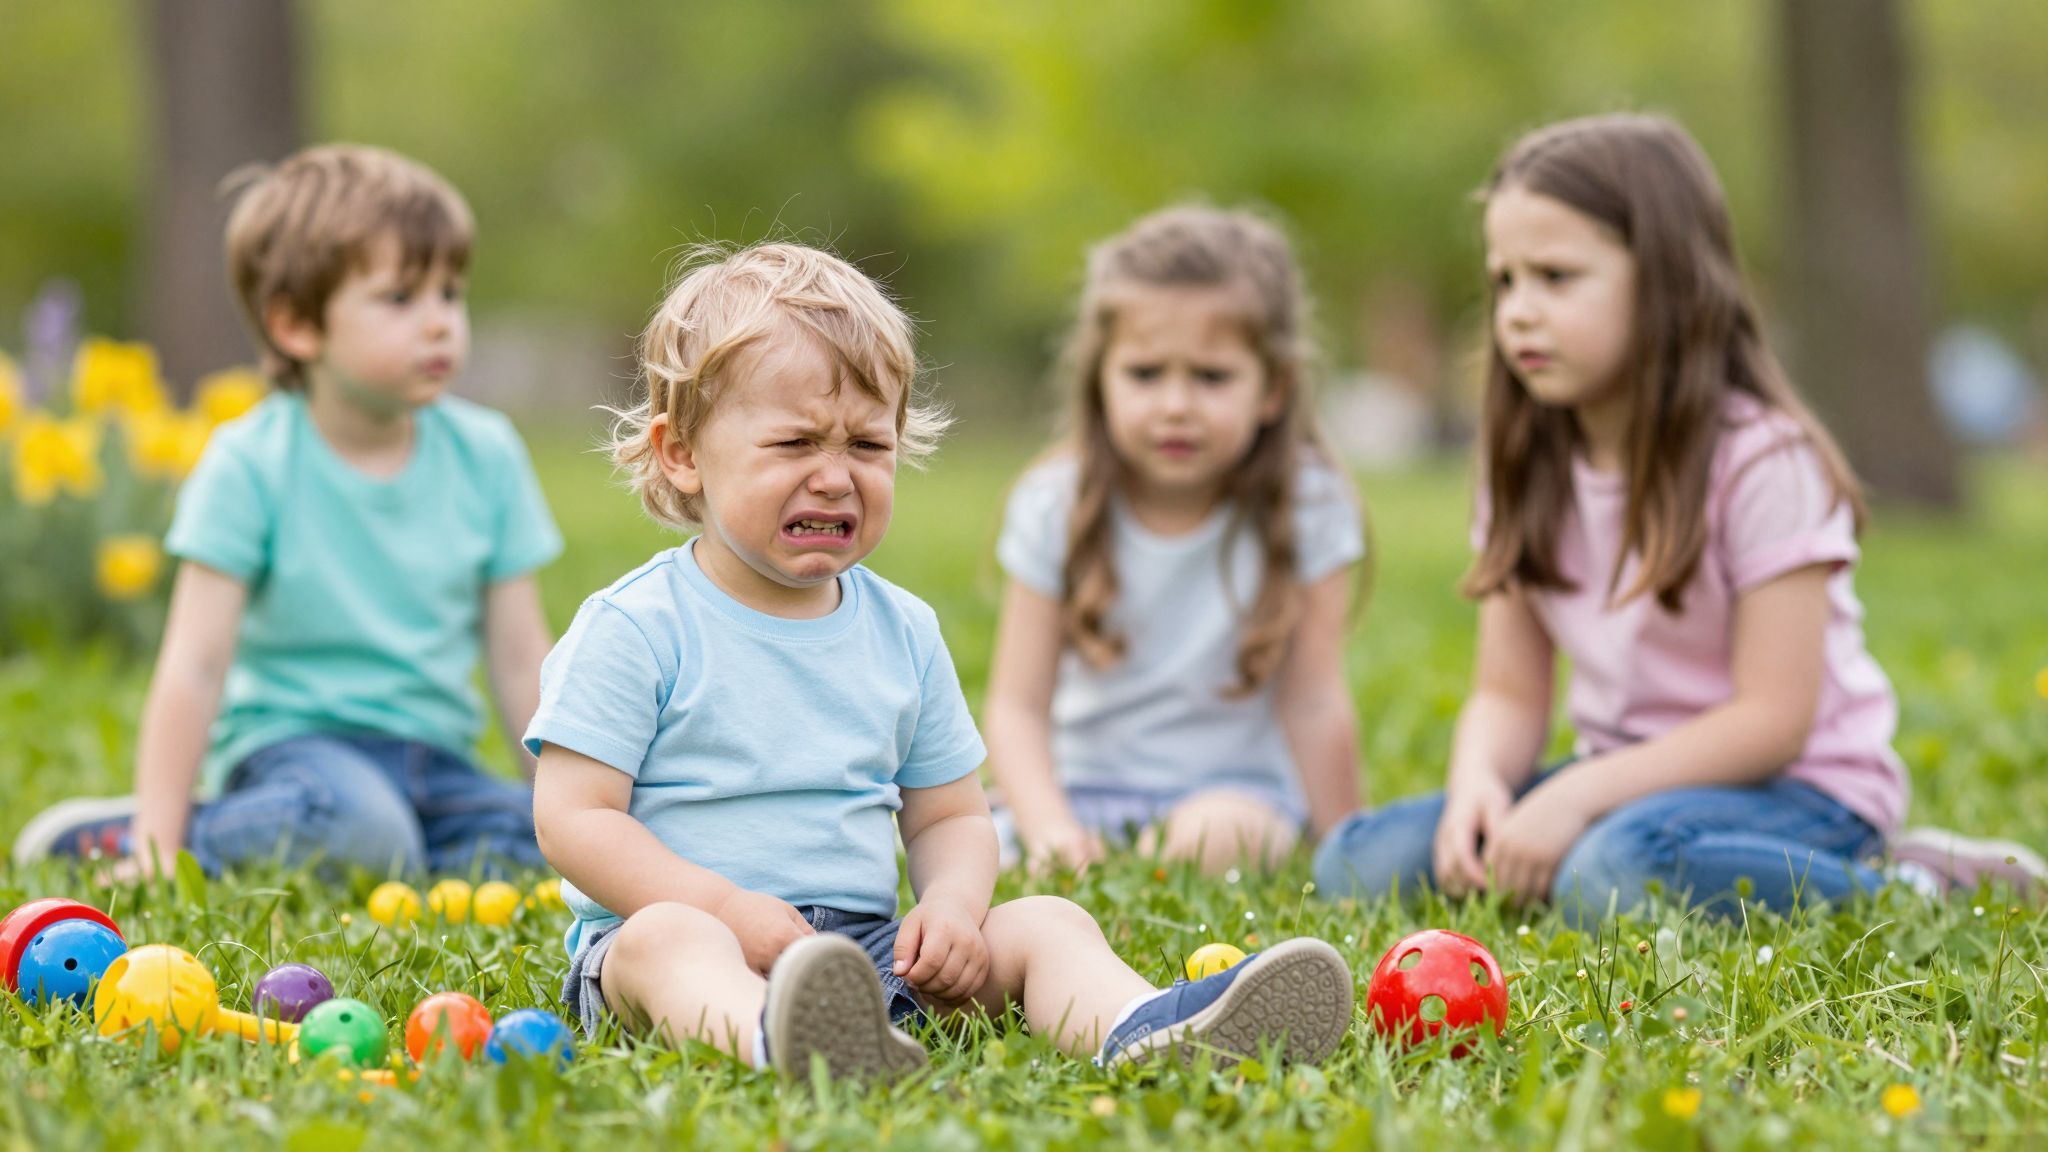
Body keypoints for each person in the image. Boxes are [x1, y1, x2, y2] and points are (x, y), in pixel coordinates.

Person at [529, 241, 1354, 1082]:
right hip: (674, 940)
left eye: (867, 445)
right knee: (670, 941)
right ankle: (776, 1040)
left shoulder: (903, 631)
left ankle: (1141, 1027)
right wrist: (723, 907)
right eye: (795, 443)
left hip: (863, 957)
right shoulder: (638, 626)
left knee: (1046, 922)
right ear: (682, 454)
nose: (834, 477)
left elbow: (949, 816)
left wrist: (954, 908)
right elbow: (573, 818)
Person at [1312, 113, 2046, 920]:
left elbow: (1773, 722)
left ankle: (1915, 884)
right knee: (1360, 860)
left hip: (1800, 792)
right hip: (1629, 782)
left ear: (1666, 282)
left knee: (1614, 871)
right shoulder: (1522, 461)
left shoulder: (1762, 461)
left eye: (1555, 277)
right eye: (1505, 281)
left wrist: (1577, 797)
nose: (1518, 311)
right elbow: (1509, 693)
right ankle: (1606, 855)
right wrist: (1477, 786)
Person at [11, 145, 560, 880]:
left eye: (450, 293)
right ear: (297, 325)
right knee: (364, 831)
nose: (440, 324)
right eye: (402, 298)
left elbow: (522, 660)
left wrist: (563, 813)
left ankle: (396, 845)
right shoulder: (251, 463)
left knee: (547, 844)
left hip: (435, 767)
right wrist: (156, 842)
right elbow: (194, 666)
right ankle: (140, 835)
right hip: (297, 753)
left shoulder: (487, 455)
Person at [983, 205, 1367, 877]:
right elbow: (1017, 707)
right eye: (1145, 374)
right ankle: (1087, 855)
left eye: (1212, 377)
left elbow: (1315, 702)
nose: (1176, 406)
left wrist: (1350, 854)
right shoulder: (1056, 502)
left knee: (1215, 840)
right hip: (1081, 793)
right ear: (1101, 380)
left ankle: (1138, 865)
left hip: (1233, 798)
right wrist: (1051, 831)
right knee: (954, 845)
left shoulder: (1310, 503)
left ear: (1272, 389)